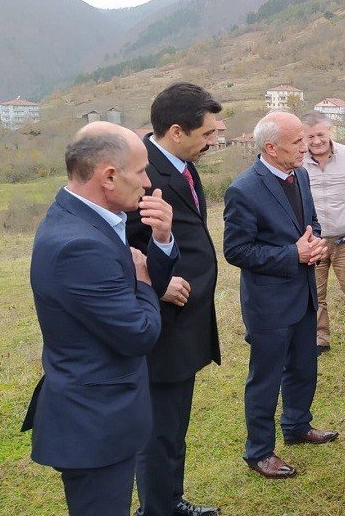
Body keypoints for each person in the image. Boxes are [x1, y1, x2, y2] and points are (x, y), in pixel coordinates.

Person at [22, 121, 178, 515]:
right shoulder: (78, 245)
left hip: (103, 413)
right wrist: (143, 281)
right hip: (94, 425)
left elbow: (133, 275)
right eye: (141, 171)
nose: (147, 183)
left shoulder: (93, 218)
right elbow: (140, 332)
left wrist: (160, 241)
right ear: (109, 176)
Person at [223, 111, 338, 479]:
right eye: (298, 143)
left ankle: (297, 426)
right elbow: (236, 251)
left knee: (304, 366)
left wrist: (316, 242)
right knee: (266, 377)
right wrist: (294, 254)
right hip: (269, 304)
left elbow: (310, 224)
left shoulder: (300, 174)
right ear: (271, 148)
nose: (307, 147)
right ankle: (259, 451)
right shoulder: (243, 189)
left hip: (303, 294)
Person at [126, 83, 222, 516]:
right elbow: (120, 244)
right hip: (161, 322)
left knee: (175, 422)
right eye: (206, 134)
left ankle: (169, 499)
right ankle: (157, 509)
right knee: (159, 429)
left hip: (188, 320)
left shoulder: (182, 163)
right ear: (178, 131)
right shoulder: (139, 175)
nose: (213, 141)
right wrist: (156, 282)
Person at [300, 111, 345, 354]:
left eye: (320, 134)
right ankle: (320, 338)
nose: (316, 141)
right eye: (310, 136)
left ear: (330, 130)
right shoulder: (298, 161)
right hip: (314, 243)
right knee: (316, 294)